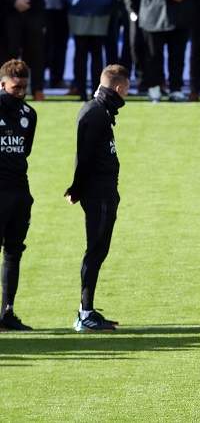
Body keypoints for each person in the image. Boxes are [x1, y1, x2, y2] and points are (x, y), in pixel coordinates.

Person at [65, 64, 129, 332]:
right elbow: (85, 156)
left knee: (98, 250)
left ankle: (88, 310)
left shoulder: (101, 111)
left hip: (104, 192)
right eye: (127, 88)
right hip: (98, 194)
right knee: (95, 250)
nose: (128, 93)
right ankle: (85, 313)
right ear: (118, 87)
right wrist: (77, 188)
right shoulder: (94, 114)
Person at [0, 60, 37, 331]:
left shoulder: (29, 114)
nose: (21, 91)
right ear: (2, 84)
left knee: (14, 252)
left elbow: (26, 150)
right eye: (16, 87)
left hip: (20, 192)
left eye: (24, 86)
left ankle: (7, 313)